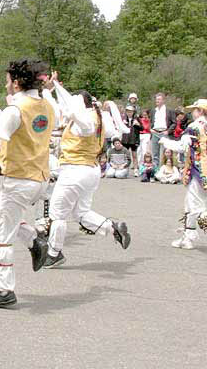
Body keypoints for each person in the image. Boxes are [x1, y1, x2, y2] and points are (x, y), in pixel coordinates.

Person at [0, 57, 54, 308]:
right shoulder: (47, 106)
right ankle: (34, 241)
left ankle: (4, 290)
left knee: (2, 235)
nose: (5, 86)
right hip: (40, 176)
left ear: (16, 83)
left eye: (7, 82)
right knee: (4, 214)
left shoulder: (17, 108)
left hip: (20, 176)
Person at [44, 74, 131, 268]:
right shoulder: (99, 118)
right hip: (91, 171)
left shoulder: (85, 122)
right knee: (81, 213)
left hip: (75, 171)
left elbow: (78, 118)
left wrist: (55, 90)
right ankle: (112, 228)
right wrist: (53, 88)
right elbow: (64, 107)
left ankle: (53, 253)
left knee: (57, 214)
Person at [160, 99, 207, 257]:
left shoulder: (195, 127)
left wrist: (165, 142)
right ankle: (188, 237)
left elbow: (182, 147)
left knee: (196, 208)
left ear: (200, 111)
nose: (192, 112)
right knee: (190, 204)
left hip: (197, 171)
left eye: (194, 110)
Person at [150, 93, 176, 166]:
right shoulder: (153, 110)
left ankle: (166, 168)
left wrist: (168, 131)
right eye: (156, 99)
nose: (157, 100)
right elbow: (151, 121)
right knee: (155, 153)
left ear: (163, 100)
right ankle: (156, 170)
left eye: (159, 99)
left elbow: (174, 123)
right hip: (155, 132)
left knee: (167, 152)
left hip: (164, 133)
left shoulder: (169, 110)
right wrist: (151, 129)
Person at [121, 105, 140, 176]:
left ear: (133, 112)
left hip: (134, 139)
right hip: (125, 139)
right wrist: (122, 124)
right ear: (126, 112)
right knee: (125, 155)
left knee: (134, 155)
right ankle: (125, 169)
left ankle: (135, 170)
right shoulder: (123, 119)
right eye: (128, 111)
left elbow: (142, 128)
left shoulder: (136, 119)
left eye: (131, 111)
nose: (129, 113)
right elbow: (119, 127)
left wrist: (137, 124)